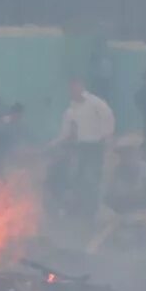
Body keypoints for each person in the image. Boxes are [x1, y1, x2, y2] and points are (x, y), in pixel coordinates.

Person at [56, 77, 115, 224]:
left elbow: (108, 118)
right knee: (78, 178)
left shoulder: (96, 103)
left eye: (76, 86)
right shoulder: (70, 110)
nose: (73, 90)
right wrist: (54, 144)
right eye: (71, 88)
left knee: (93, 179)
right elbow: (65, 133)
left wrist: (106, 137)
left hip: (95, 146)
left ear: (82, 86)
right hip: (80, 147)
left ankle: (92, 212)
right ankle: (80, 210)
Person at [105, 133, 146, 215]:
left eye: (129, 152)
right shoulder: (115, 172)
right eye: (123, 154)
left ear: (138, 153)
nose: (126, 157)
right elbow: (108, 200)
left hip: (145, 216)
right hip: (120, 217)